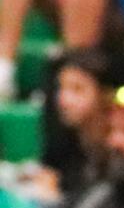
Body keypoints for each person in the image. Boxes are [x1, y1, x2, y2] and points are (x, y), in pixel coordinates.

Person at [39, 48, 114, 198]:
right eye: (61, 88)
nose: (64, 100)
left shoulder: (118, 144)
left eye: (77, 89)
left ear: (104, 94)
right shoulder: (62, 141)